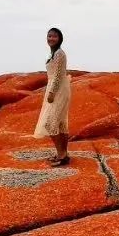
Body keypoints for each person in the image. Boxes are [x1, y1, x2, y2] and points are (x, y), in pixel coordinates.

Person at [34, 26, 71, 166]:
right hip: (56, 87)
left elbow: (58, 75)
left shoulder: (60, 53)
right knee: (60, 123)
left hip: (58, 89)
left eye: (54, 36)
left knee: (50, 123)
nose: (51, 38)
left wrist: (51, 92)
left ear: (59, 38)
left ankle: (62, 155)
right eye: (49, 36)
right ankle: (63, 154)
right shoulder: (53, 53)